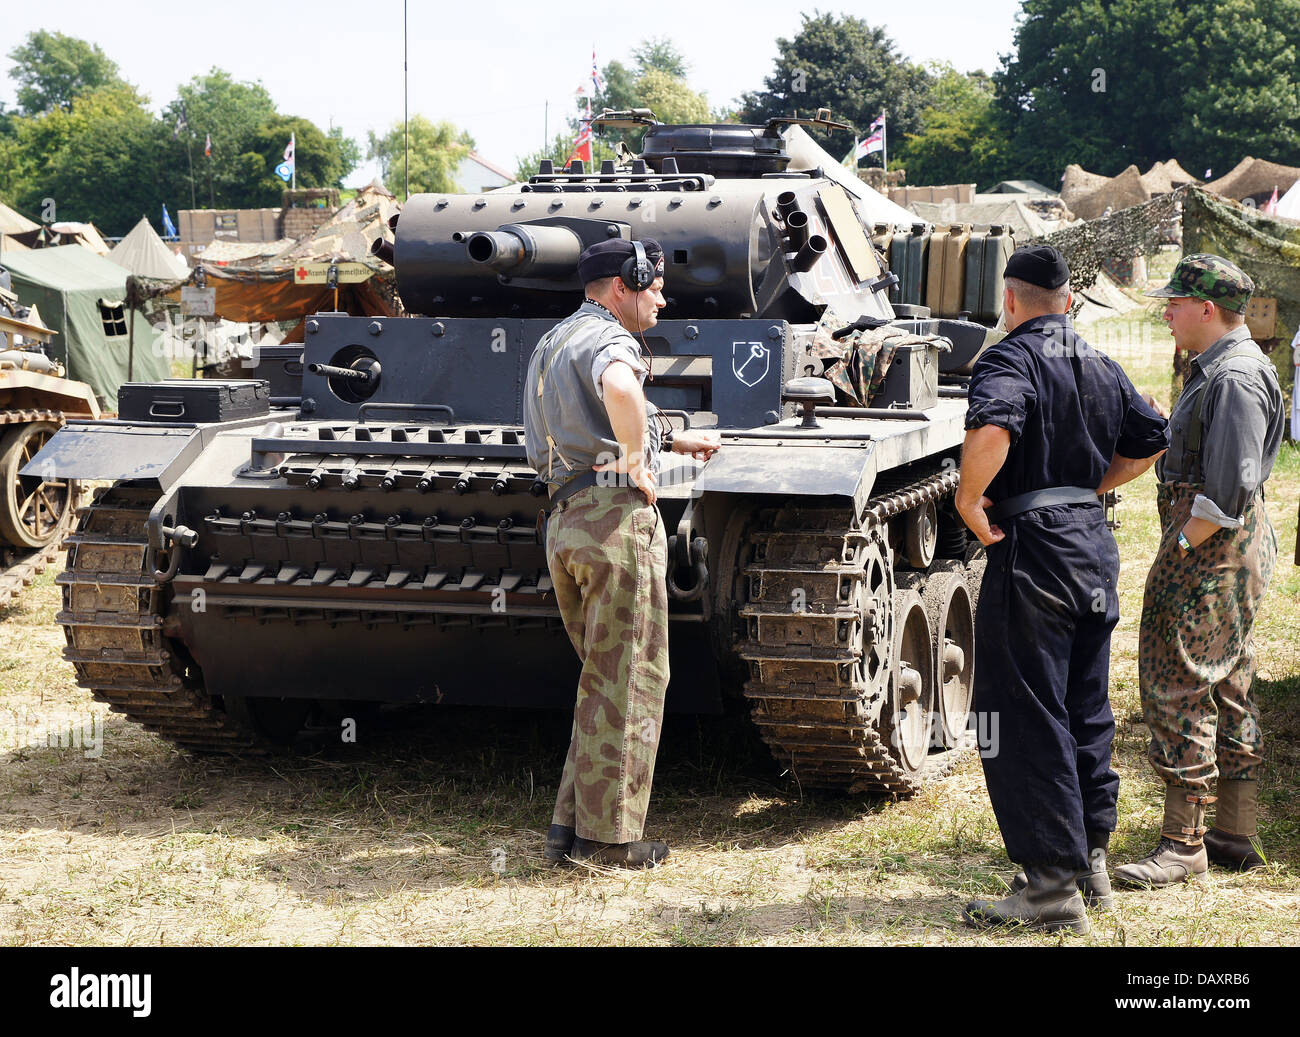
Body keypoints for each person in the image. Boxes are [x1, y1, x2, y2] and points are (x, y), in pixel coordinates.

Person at [955, 244, 1169, 933]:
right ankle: (1091, 862)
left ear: (1009, 302)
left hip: (1035, 550)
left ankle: (1049, 884)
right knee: (1085, 706)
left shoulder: (1008, 358)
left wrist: (969, 496)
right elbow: (1151, 435)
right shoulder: (1100, 361)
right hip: (1091, 544)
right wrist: (1086, 491)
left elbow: (994, 424)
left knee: (1023, 715)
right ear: (1070, 301)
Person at [522, 237, 721, 869]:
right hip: (614, 520)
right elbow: (617, 385)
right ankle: (610, 843)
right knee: (634, 678)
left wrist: (672, 439)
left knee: (603, 680)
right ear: (620, 286)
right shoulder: (612, 342)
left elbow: (589, 412)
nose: (662, 297)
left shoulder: (554, 341)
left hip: (565, 520)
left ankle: (569, 828)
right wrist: (636, 460)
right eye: (654, 285)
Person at [1114, 255, 1284, 888]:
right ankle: (1233, 832)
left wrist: (1183, 546)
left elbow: (1230, 489)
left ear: (1206, 310)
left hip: (1214, 544)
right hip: (1224, 544)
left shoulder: (1234, 376)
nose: (1167, 312)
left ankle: (1184, 844)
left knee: (1176, 680)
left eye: (1176, 303)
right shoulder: (1220, 368)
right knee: (1227, 677)